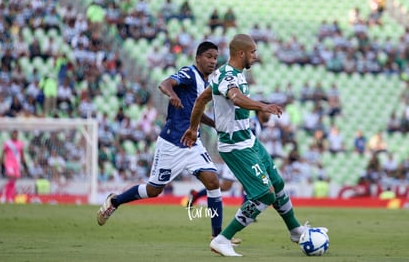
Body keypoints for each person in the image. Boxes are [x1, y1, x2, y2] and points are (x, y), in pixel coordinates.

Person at [181, 34, 327, 256]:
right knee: (264, 195)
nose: (256, 57)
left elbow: (202, 100)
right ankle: (222, 239)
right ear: (241, 53)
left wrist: (193, 128)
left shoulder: (230, 74)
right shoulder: (228, 76)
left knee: (277, 184)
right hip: (235, 146)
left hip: (249, 140)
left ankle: (295, 230)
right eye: (253, 53)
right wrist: (262, 106)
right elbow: (236, 98)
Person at [96, 41, 225, 242]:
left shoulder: (206, 83)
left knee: (213, 181)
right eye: (208, 56)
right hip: (172, 142)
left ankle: (218, 237)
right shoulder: (189, 73)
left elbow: (195, 112)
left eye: (215, 58)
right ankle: (115, 201)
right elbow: (164, 84)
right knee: (153, 190)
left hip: (193, 142)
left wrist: (214, 124)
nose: (212, 61)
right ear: (197, 58)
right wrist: (172, 95)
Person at [0, 130, 29, 203]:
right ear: (11, 135)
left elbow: (22, 154)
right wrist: (2, 161)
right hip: (9, 163)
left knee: (13, 180)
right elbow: (3, 152)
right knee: (11, 177)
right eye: (14, 134)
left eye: (16, 134)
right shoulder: (7, 143)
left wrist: (24, 164)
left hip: (17, 163)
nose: (15, 135)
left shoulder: (20, 143)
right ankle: (3, 196)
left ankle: (9, 197)